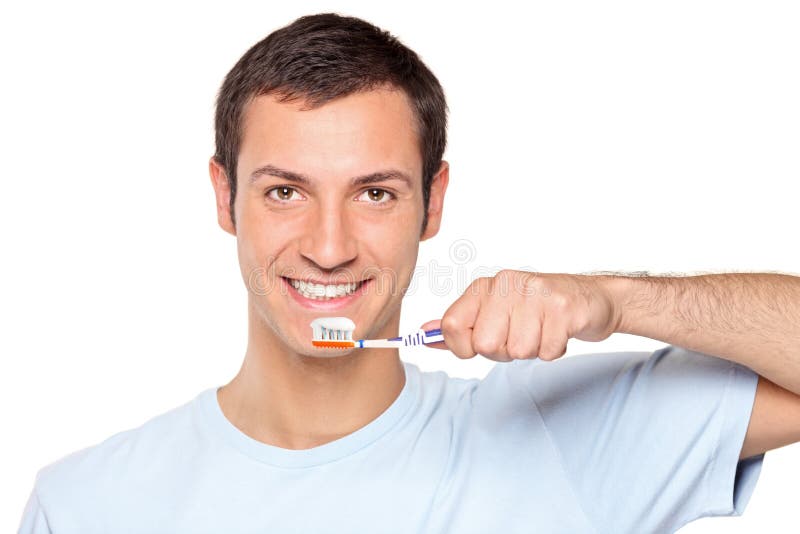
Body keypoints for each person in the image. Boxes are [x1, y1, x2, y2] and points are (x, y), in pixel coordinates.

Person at [18, 12, 800, 534]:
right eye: (285, 192)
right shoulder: (86, 505)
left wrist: (613, 302)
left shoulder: (562, 440)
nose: (328, 247)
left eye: (375, 193)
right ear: (225, 197)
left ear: (433, 204)